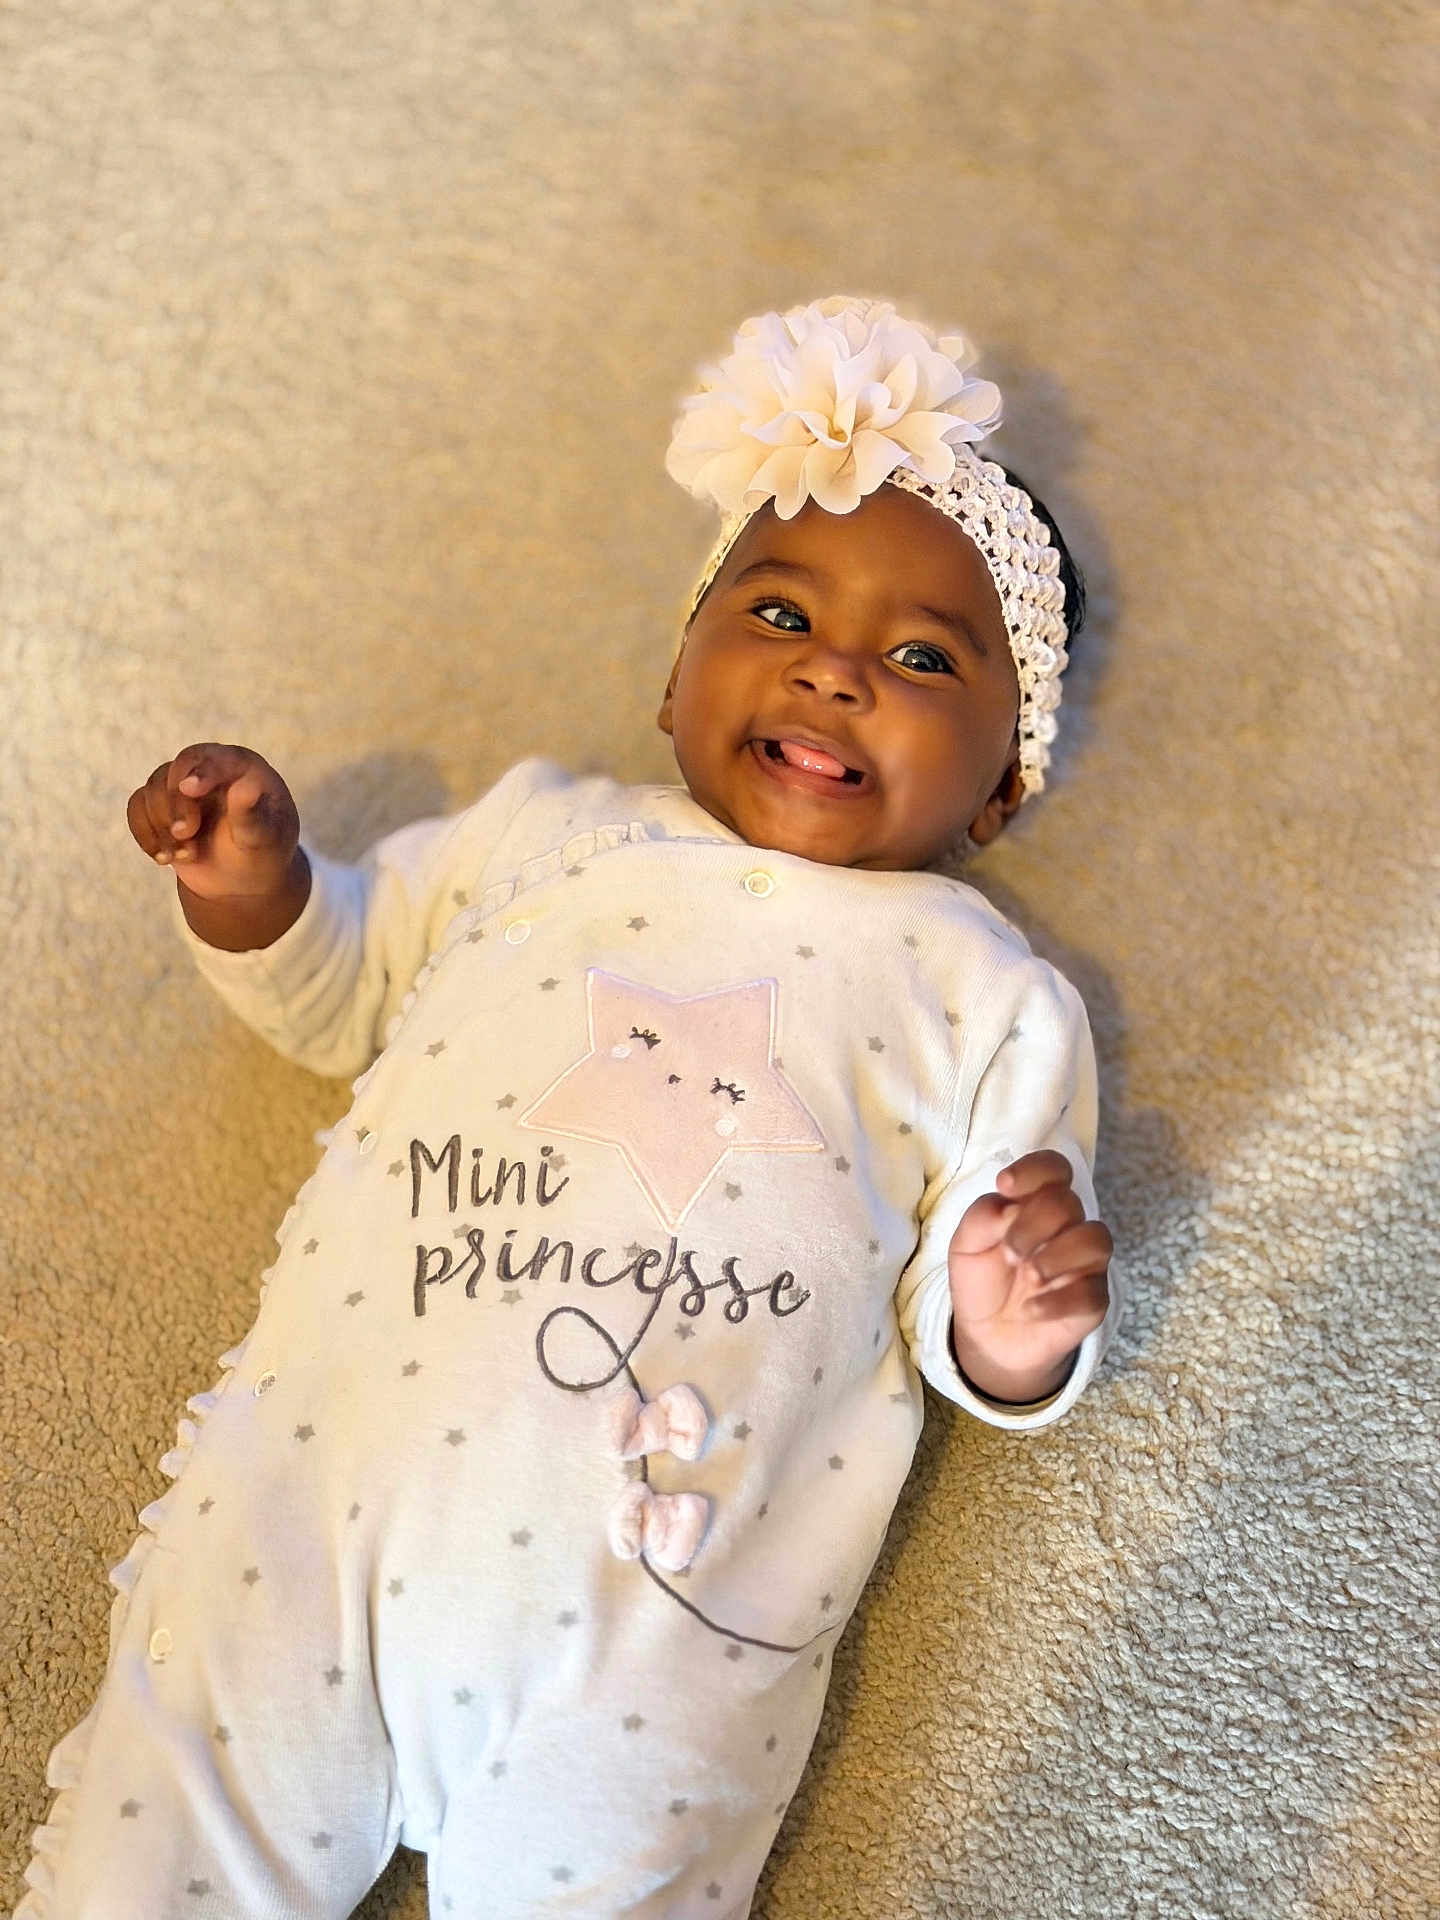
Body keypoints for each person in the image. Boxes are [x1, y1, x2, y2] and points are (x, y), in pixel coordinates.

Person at [18, 295, 1119, 1920]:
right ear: (675, 675)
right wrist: (256, 891)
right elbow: (347, 987)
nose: (831, 670)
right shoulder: (548, 835)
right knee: (153, 1852)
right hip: (312, 1517)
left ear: (1003, 785)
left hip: (655, 1620)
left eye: (919, 659)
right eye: (777, 611)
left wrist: (1009, 1326)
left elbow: (973, 1302)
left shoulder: (985, 990)